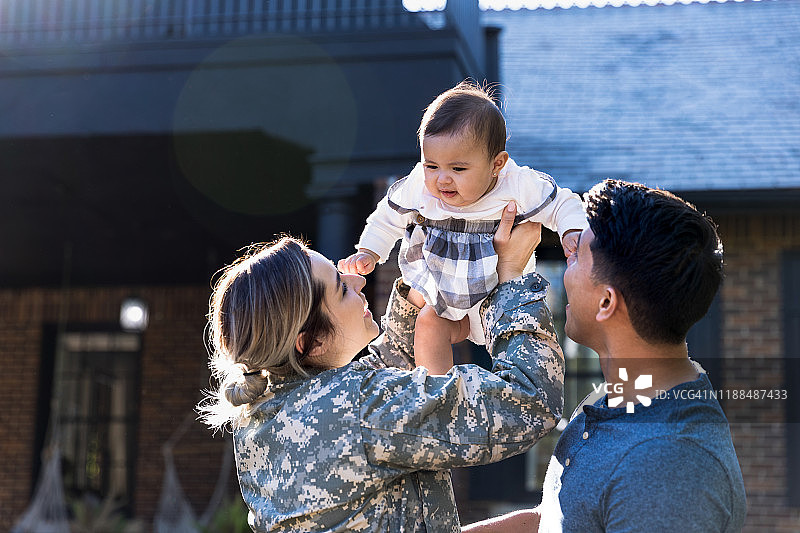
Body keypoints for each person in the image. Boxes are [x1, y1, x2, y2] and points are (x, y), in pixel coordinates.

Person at [198, 203, 565, 532]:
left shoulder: (267, 416)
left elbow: (384, 377)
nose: (358, 279)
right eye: (341, 289)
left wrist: (422, 279)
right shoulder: (353, 409)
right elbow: (528, 402)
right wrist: (512, 278)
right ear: (310, 342)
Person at [463, 179, 747, 533]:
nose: (567, 264)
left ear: (606, 302)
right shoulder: (617, 398)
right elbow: (557, 518)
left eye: (576, 254)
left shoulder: (667, 467)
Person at [338, 81, 587, 375]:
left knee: (514, 345)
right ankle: (436, 393)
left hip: (496, 297)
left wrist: (571, 231)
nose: (442, 179)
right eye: (432, 166)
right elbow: (387, 216)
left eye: (457, 169)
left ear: (497, 164)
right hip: (442, 294)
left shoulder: (518, 184)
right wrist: (369, 250)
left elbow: (562, 202)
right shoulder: (420, 186)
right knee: (427, 323)